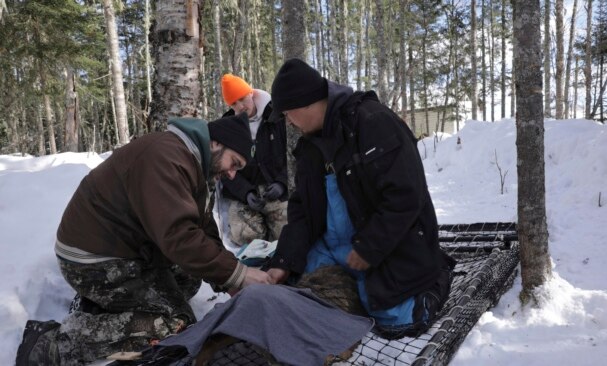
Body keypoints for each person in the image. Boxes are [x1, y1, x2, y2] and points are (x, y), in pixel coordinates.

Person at [16, 115, 272, 366]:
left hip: (125, 249)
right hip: (93, 260)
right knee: (172, 325)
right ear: (216, 144)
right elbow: (179, 237)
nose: (231, 174)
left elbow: (202, 229)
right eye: (234, 163)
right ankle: (58, 343)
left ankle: (108, 308)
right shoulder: (166, 158)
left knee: (189, 278)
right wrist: (239, 274)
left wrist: (228, 280)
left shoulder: (193, 164)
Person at [265, 59, 456, 339]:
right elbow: (302, 211)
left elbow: (406, 196)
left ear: (305, 103)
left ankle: (435, 274)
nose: (289, 123)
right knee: (294, 292)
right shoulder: (309, 147)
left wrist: (370, 247)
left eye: (288, 114)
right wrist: (284, 260)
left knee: (397, 323)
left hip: (387, 243)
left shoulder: (374, 122)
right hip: (335, 247)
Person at [217, 74, 288, 247]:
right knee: (244, 236)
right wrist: (245, 192)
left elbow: (294, 155)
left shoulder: (278, 117)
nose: (240, 106)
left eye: (242, 99)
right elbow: (224, 170)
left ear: (251, 93)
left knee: (288, 232)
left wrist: (282, 182)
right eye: (234, 103)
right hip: (245, 195)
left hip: (278, 190)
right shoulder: (226, 128)